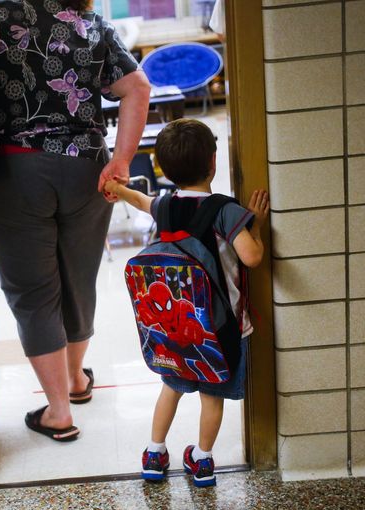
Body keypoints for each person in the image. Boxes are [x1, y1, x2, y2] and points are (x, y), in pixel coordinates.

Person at [0, 0, 150, 441]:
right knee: (78, 280)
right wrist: (122, 161)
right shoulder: (90, 23)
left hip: (8, 172)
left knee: (34, 295)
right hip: (86, 171)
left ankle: (58, 412)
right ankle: (75, 379)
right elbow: (138, 87)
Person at [103, 118, 269, 486]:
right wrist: (255, 224)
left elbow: (143, 201)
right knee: (212, 397)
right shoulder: (226, 210)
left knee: (171, 390)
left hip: (173, 329)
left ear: (163, 168)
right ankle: (203, 460)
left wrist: (117, 188)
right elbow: (252, 257)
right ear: (213, 162)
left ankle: (154, 452)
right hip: (220, 329)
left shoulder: (165, 206)